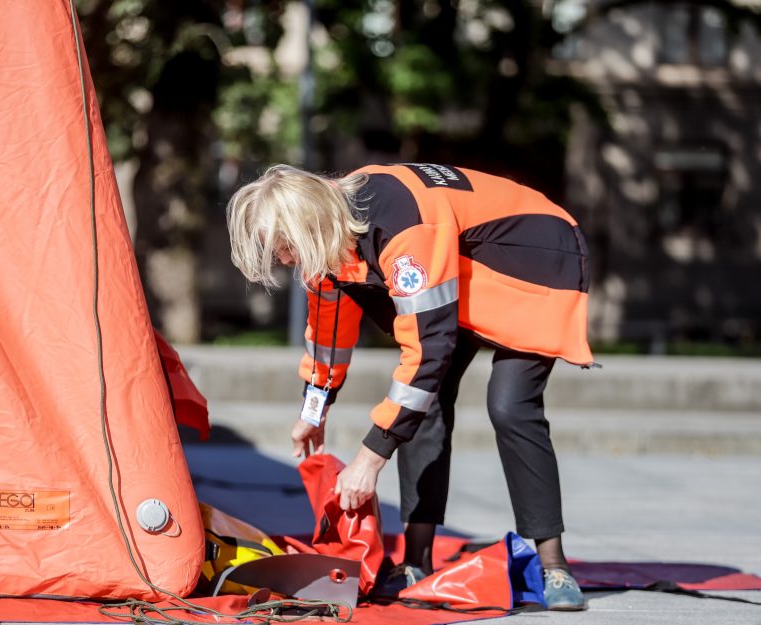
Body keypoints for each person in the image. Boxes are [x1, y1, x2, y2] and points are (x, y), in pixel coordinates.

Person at [226, 163, 593, 611]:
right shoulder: (325, 238)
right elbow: (328, 331)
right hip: (464, 271)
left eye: (284, 247)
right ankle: (416, 560)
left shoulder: (401, 226)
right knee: (425, 406)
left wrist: (370, 456)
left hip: (534, 259)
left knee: (510, 405)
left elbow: (427, 350)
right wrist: (312, 410)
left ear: (307, 224)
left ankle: (554, 565)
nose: (284, 261)